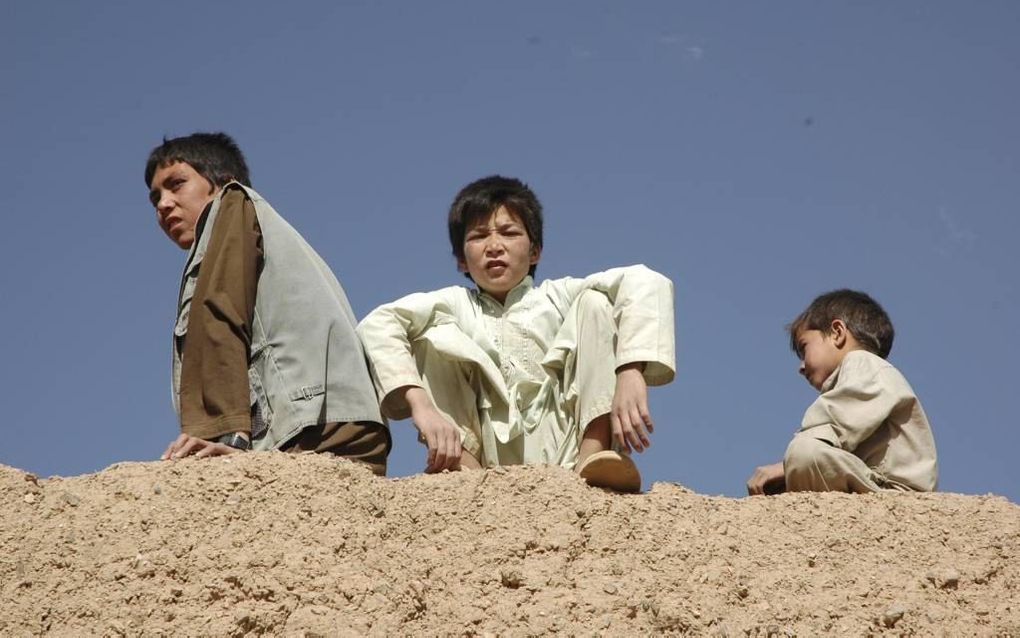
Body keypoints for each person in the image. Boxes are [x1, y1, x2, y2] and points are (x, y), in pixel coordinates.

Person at [356, 175, 675, 491]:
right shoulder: (454, 304)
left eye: (509, 233)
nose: (494, 246)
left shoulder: (559, 296)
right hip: (481, 465)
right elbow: (377, 323)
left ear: (535, 251)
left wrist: (630, 371)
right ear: (461, 261)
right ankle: (463, 474)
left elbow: (645, 281)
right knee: (430, 333)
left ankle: (594, 460)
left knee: (596, 304)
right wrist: (421, 406)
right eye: (478, 237)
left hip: (566, 453)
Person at [145, 132, 389, 474]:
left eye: (176, 184)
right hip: (348, 421)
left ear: (221, 182)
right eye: (155, 196)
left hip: (309, 424)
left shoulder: (231, 204)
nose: (163, 204)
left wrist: (225, 435)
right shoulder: (275, 232)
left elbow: (218, 309)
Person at [746, 289, 937, 495]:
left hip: (894, 495)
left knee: (804, 453)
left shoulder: (864, 363)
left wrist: (786, 466)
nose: (801, 367)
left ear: (837, 332)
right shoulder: (863, 373)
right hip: (872, 484)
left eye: (804, 348)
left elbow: (834, 424)